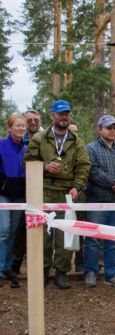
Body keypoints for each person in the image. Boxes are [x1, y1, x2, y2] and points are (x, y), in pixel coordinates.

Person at [24, 99, 90, 290]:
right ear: (52, 115)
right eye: (60, 113)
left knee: (64, 233)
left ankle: (61, 271)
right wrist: (44, 167)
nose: (64, 117)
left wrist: (77, 186)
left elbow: (84, 166)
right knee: (42, 234)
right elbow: (27, 162)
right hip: (43, 191)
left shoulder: (77, 141)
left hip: (66, 192)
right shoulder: (40, 138)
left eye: (67, 113)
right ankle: (43, 269)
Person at [83, 114, 115, 288]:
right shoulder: (91, 148)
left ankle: (111, 274)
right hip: (96, 199)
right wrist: (113, 183)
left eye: (114, 127)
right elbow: (92, 171)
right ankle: (91, 272)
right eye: (109, 127)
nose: (112, 130)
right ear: (100, 130)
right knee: (93, 239)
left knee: (113, 239)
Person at [12, 109, 43, 275]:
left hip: (41, 189)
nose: (32, 122)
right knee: (18, 229)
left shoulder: (46, 139)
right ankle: (15, 263)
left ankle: (40, 266)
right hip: (18, 189)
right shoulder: (18, 140)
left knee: (39, 226)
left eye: (35, 120)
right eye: (29, 120)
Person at [0, 114, 27, 288]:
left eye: (23, 125)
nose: (21, 128)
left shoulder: (28, 146)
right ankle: (0, 267)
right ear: (9, 128)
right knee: (3, 230)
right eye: (17, 125)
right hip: (3, 193)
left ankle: (8, 266)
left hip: (20, 194)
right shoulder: (1, 145)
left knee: (12, 233)